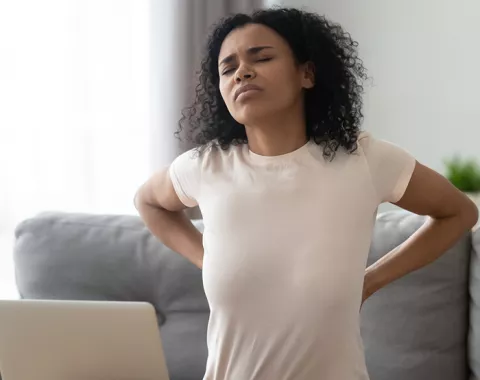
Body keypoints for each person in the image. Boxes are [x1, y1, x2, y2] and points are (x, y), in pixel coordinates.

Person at [135, 7, 478, 380]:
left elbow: (459, 212)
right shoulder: (205, 167)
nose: (242, 73)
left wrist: (372, 279)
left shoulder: (363, 159)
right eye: (228, 68)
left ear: (307, 74)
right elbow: (148, 202)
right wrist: (206, 257)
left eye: (261, 57)